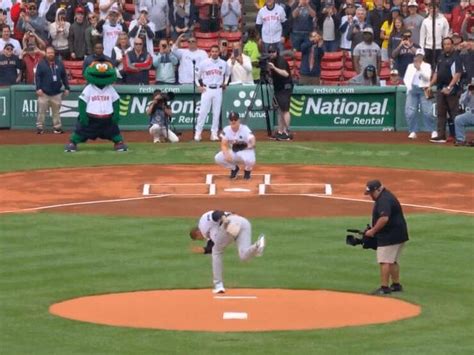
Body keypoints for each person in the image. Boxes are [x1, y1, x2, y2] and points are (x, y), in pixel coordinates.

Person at [190, 210, 265, 294]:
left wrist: (224, 219)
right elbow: (212, 245)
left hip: (230, 223)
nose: (201, 239)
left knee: (217, 251)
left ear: (197, 233)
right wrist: (203, 250)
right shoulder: (210, 232)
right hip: (244, 223)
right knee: (243, 256)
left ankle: (218, 285)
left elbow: (215, 214)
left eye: (198, 238)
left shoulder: (202, 223)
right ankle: (257, 245)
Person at [363, 179, 409, 295]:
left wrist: (373, 231)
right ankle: (396, 285)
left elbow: (384, 218)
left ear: (379, 189)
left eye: (372, 193)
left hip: (390, 235)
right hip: (399, 234)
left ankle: (384, 287)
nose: (371, 196)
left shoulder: (384, 200)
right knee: (392, 260)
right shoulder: (384, 196)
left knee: (384, 261)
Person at [429, 37, 463, 144]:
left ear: (452, 45)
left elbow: (457, 74)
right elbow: (436, 73)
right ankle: (441, 136)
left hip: (452, 89)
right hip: (440, 87)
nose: (447, 46)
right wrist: (430, 85)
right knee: (441, 113)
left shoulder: (456, 57)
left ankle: (458, 136)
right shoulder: (440, 57)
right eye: (445, 44)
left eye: (449, 44)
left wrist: (449, 87)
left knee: (454, 113)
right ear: (443, 46)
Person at [194, 45, 230, 142]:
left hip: (218, 89)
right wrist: (198, 85)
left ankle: (214, 134)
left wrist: (225, 83)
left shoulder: (224, 63)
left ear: (219, 52)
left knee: (216, 113)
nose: (214, 53)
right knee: (202, 112)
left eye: (216, 51)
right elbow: (196, 76)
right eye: (212, 51)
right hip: (207, 89)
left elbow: (227, 74)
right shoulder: (204, 63)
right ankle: (198, 133)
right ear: (210, 52)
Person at [35, 46, 70, 134]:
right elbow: (37, 77)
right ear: (45, 53)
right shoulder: (41, 64)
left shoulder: (59, 63)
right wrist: (38, 88)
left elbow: (64, 76)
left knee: (56, 112)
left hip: (56, 92)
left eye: (52, 52)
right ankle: (40, 127)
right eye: (48, 52)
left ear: (54, 53)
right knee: (41, 111)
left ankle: (57, 128)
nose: (50, 54)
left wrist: (67, 87)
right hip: (44, 92)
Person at [403, 48, 437, 140]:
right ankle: (413, 131)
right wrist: (409, 88)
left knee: (428, 112)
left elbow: (427, 79)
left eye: (420, 56)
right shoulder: (410, 66)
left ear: (423, 57)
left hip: (424, 89)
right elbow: (406, 78)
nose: (419, 58)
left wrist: (419, 69)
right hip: (412, 89)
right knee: (410, 112)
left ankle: (433, 130)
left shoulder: (427, 66)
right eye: (417, 56)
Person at [215, 111, 256, 180]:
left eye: (235, 119)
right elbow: (223, 144)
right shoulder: (226, 129)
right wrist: (226, 154)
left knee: (250, 160)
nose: (233, 121)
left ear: (238, 120)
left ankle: (247, 170)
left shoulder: (245, 129)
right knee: (218, 158)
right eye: (231, 120)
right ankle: (234, 168)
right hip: (234, 151)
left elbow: (253, 139)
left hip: (245, 151)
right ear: (229, 121)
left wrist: (247, 146)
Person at [268, 45, 293, 141]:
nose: (271, 54)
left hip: (285, 88)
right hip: (278, 88)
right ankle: (280, 131)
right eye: (270, 52)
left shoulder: (280, 60)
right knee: (279, 110)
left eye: (273, 52)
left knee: (285, 110)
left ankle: (287, 132)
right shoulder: (271, 61)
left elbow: (285, 74)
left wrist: (274, 68)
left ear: (276, 52)